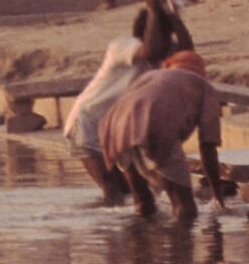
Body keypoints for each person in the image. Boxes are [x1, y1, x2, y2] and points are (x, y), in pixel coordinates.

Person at [64, 0, 188, 204]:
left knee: (132, 192)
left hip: (119, 128)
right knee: (111, 188)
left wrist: (174, 18)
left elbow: (187, 51)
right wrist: (154, 11)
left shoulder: (164, 52)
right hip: (87, 122)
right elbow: (149, 49)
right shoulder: (123, 45)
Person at [96, 48, 228, 223]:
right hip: (153, 126)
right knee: (185, 207)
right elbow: (208, 145)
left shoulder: (150, 77)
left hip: (114, 128)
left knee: (143, 203)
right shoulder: (204, 87)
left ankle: (139, 248)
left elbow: (130, 103)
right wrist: (218, 197)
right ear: (202, 72)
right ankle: (179, 248)